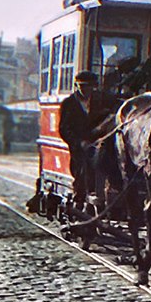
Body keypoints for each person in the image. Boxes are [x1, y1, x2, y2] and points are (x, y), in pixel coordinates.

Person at [59, 70, 99, 207]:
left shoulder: (101, 100)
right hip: (79, 148)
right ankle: (79, 200)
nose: (85, 90)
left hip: (98, 143)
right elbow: (64, 129)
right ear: (77, 86)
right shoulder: (68, 104)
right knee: (81, 170)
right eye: (82, 86)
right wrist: (79, 142)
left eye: (88, 86)